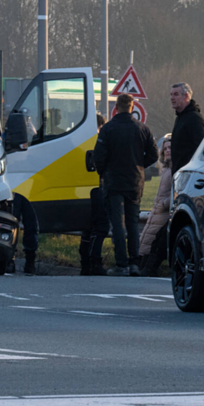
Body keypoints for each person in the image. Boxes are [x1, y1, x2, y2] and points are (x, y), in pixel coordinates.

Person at [92, 94, 158, 276]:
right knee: (132, 223)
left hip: (114, 182)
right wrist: (138, 165)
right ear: (132, 107)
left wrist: (104, 172)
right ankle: (134, 263)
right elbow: (154, 155)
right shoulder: (142, 129)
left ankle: (121, 264)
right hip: (135, 181)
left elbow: (98, 156)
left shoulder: (108, 129)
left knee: (118, 224)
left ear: (116, 107)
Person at [138, 134, 172, 277]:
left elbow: (176, 193)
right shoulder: (166, 169)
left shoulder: (176, 169)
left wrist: (164, 203)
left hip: (163, 212)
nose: (168, 151)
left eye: (170, 148)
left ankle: (147, 267)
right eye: (165, 149)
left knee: (153, 240)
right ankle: (141, 265)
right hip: (157, 212)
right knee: (147, 238)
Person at [79, 114, 109, 275]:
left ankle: (84, 262)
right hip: (98, 187)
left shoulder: (81, 142)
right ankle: (95, 261)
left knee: (87, 227)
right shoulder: (100, 141)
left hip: (83, 188)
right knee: (101, 226)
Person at [170, 82, 204, 174]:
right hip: (179, 173)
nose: (172, 98)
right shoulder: (180, 118)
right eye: (171, 95)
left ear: (186, 96)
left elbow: (202, 147)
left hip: (189, 174)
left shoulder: (194, 119)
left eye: (176, 94)